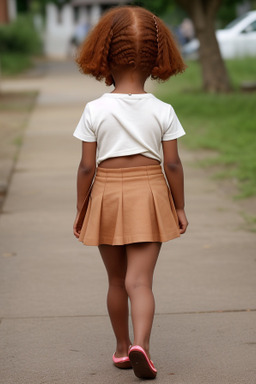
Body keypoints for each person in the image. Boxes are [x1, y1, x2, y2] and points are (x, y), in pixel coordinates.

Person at [73, 6, 188, 380]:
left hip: (106, 194)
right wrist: (180, 206)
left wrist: (81, 206)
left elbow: (87, 167)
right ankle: (143, 345)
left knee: (115, 282)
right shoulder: (163, 110)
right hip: (151, 195)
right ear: (158, 57)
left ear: (103, 54)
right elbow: (172, 165)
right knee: (140, 282)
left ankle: (122, 349)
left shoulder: (95, 110)